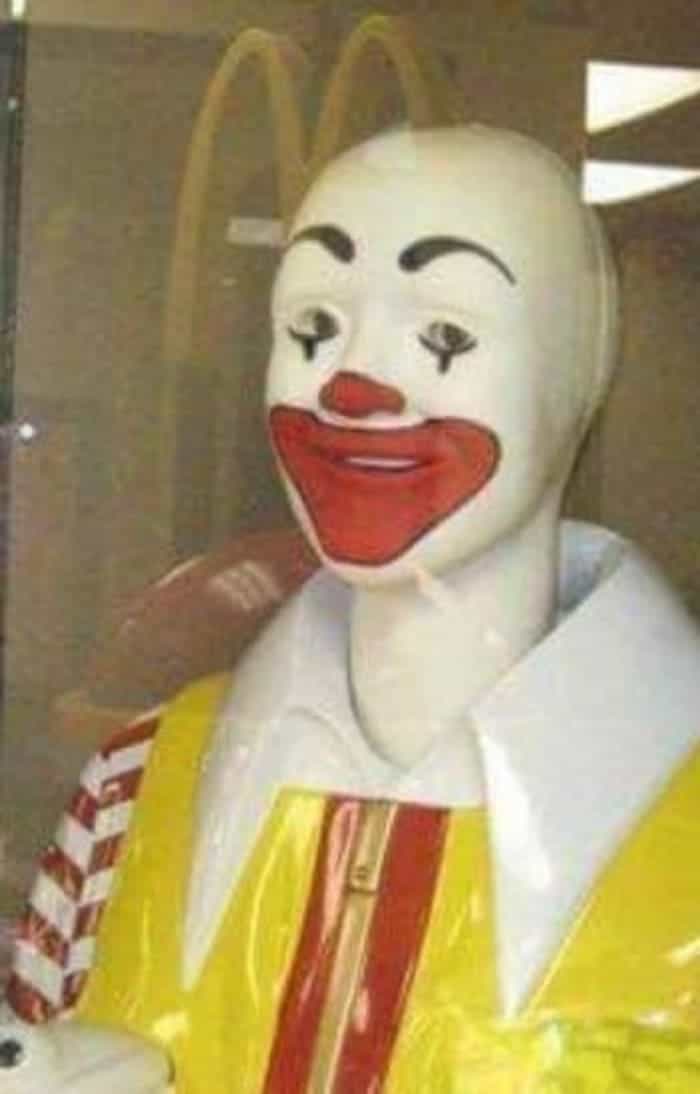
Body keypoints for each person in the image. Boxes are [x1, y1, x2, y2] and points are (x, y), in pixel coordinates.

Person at [3, 126, 700, 1093]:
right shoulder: (134, 783)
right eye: (313, 328)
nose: (351, 386)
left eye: (446, 335)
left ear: (580, 369)